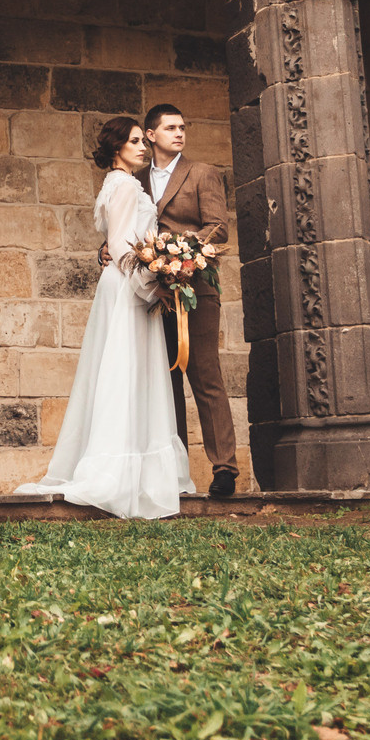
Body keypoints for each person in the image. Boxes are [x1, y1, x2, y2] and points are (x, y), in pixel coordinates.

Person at [12, 116, 193, 520]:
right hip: (129, 286)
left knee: (122, 370)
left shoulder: (116, 184)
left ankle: (132, 468)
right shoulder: (125, 185)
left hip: (119, 282)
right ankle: (119, 471)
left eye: (142, 141)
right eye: (134, 142)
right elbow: (124, 248)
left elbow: (117, 244)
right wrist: (154, 287)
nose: (142, 148)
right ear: (117, 148)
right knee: (126, 371)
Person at [120, 104, 239, 498]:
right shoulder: (135, 180)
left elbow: (218, 227)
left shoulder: (202, 173)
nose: (179, 133)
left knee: (205, 375)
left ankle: (224, 468)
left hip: (196, 290)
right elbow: (125, 228)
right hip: (152, 293)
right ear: (151, 135)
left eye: (182, 128)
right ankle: (175, 473)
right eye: (170, 128)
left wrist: (180, 250)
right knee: (163, 380)